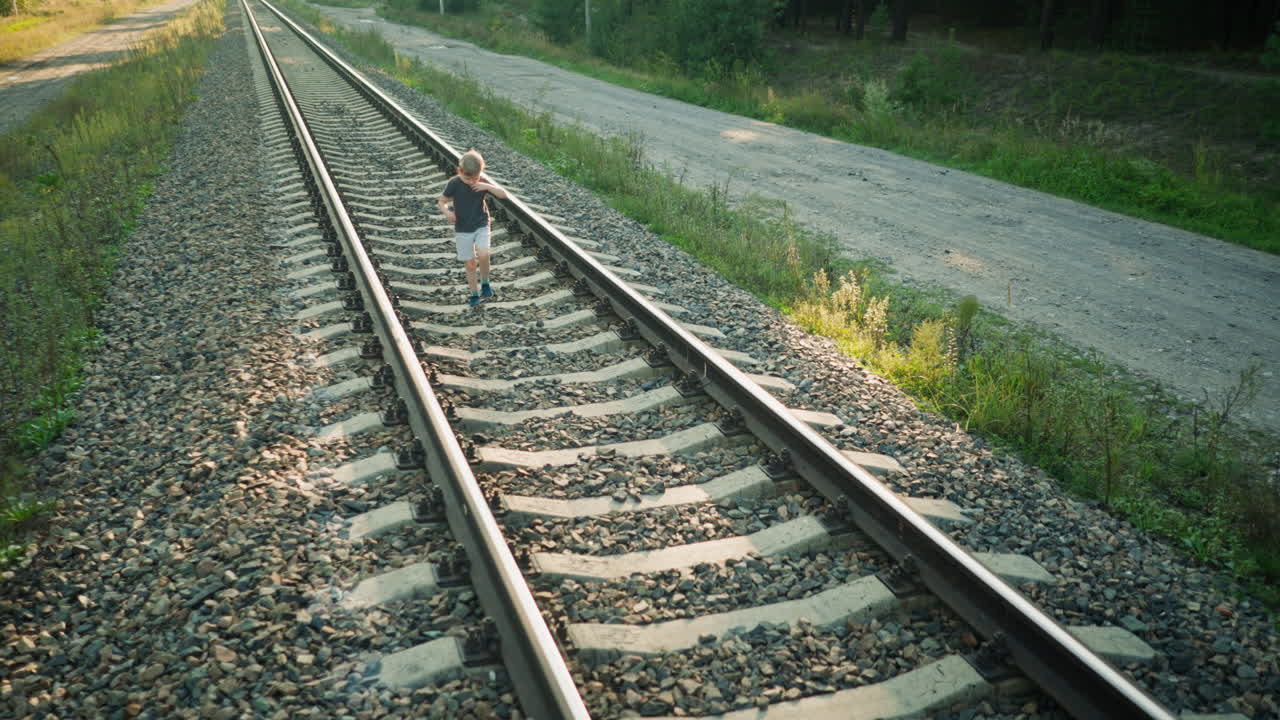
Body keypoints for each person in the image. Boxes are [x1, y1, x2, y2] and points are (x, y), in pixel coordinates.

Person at [438, 149, 509, 308]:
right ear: (459, 171)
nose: (471, 182)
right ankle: (474, 294)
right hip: (463, 228)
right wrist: (447, 211)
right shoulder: (455, 183)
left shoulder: (481, 181)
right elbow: (441, 201)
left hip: (481, 223)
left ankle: (485, 282)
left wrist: (486, 186)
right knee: (470, 264)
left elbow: (503, 195)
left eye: (474, 178)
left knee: (484, 253)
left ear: (480, 173)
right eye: (468, 178)